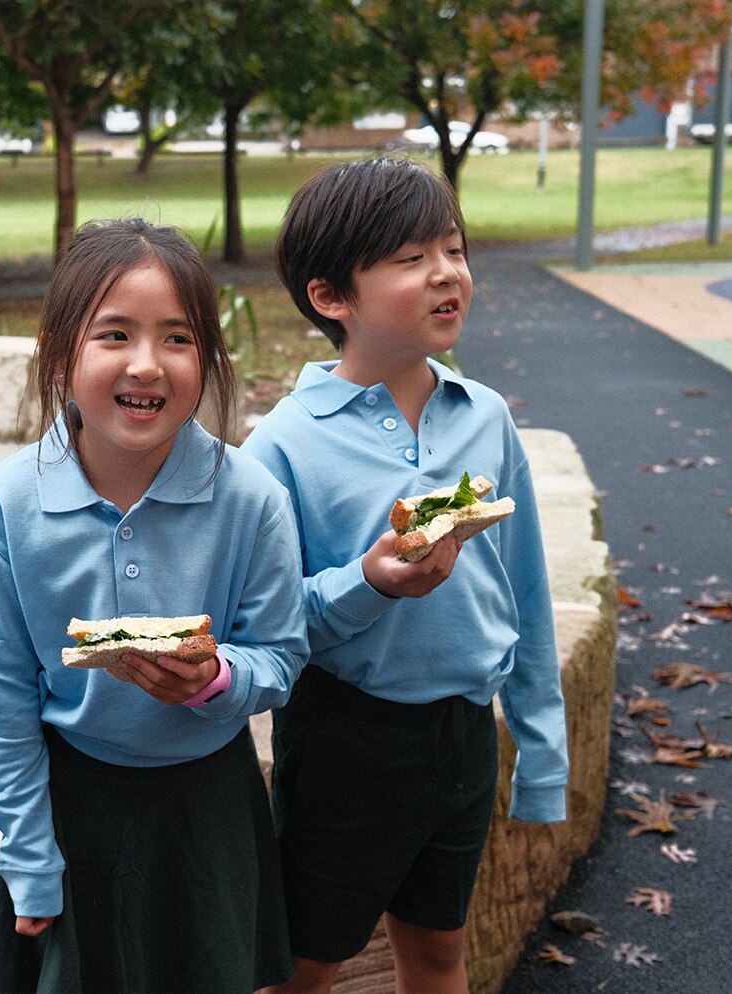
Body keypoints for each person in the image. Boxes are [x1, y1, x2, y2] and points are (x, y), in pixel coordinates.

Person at [240, 156, 569, 994]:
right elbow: (266, 627)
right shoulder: (284, 445)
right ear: (331, 297)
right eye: (410, 256)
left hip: (465, 734)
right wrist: (371, 582)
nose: (447, 273)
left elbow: (524, 590)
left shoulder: (484, 415)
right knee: (303, 966)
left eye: (454, 248)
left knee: (438, 954)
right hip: (348, 740)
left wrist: (542, 754)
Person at [0, 217, 309, 994]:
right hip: (70, 809)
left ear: (208, 357)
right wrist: (29, 855)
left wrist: (219, 678)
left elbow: (281, 655)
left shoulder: (250, 498)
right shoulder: (11, 504)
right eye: (113, 335)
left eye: (178, 338)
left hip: (207, 807)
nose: (146, 365)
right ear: (60, 354)